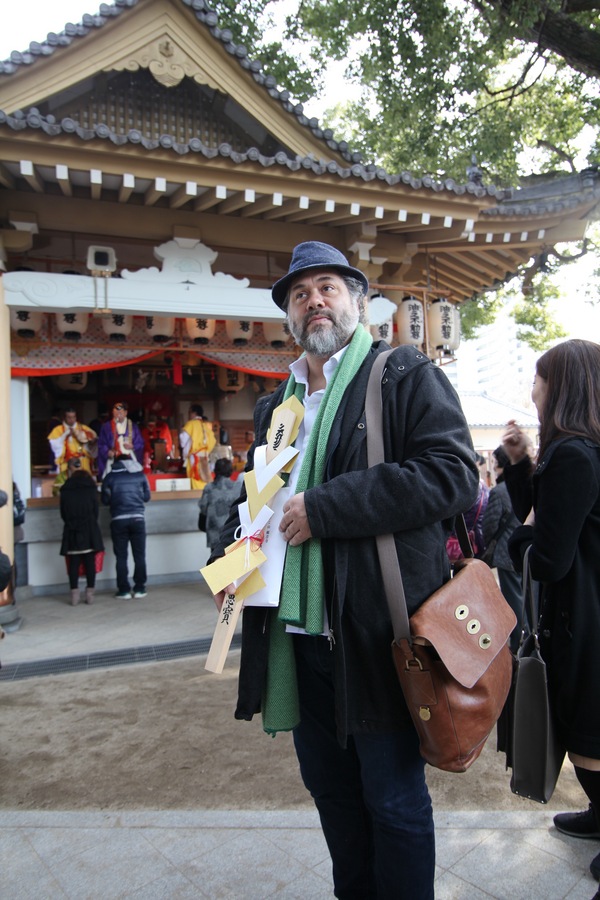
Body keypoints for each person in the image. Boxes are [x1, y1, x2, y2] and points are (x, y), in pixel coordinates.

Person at [209, 241, 479, 899]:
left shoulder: (402, 373)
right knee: (331, 790)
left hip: (375, 632)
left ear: (358, 300)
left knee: (390, 796)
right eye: (299, 294)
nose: (314, 301)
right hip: (297, 641)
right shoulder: (279, 407)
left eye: (328, 287)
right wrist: (231, 553)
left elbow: (452, 475)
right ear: (289, 317)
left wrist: (326, 507)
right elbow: (258, 501)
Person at [502, 339, 600, 891]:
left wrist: (519, 545)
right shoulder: (584, 450)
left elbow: (547, 559)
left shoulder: (574, 455)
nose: (532, 390)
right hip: (590, 609)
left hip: (582, 620)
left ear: (561, 385)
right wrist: (520, 466)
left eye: (538, 379)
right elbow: (551, 518)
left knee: (589, 739)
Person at [481, 445, 523, 651]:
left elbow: (489, 525)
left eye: (496, 463)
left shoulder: (499, 491)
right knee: (529, 598)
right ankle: (529, 638)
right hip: (527, 552)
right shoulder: (529, 486)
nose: (494, 468)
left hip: (507, 553)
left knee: (513, 601)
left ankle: (516, 644)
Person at [101, 457, 150, 600]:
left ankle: (124, 590)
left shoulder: (109, 477)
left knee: (121, 556)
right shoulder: (140, 476)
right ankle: (140, 588)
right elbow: (147, 497)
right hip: (138, 519)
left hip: (118, 520)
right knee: (139, 555)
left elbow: (105, 500)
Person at [59, 458, 104, 605]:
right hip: (89, 528)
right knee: (89, 561)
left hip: (72, 529)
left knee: (74, 562)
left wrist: (71, 522)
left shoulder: (65, 489)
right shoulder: (91, 489)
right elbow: (95, 511)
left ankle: (74, 595)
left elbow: (63, 513)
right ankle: (90, 594)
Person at [198, 458, 242, 551]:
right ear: (231, 471)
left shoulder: (209, 488)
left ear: (215, 471)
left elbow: (203, 508)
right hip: (233, 532)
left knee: (216, 561)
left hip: (215, 534)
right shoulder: (238, 487)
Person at [97, 401, 144, 479]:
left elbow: (140, 443)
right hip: (113, 459)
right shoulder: (106, 427)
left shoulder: (133, 426)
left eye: (120, 412)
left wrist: (133, 446)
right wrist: (107, 452)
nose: (118, 414)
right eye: (115, 412)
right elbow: (101, 443)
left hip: (129, 458)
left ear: (125, 413)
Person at [47, 406, 97, 477]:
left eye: (73, 417)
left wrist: (91, 442)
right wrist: (64, 435)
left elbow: (93, 445)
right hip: (66, 463)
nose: (72, 419)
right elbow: (54, 447)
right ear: (64, 418)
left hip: (83, 463)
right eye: (69, 417)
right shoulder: (58, 430)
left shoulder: (83, 428)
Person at [179, 404, 216, 490]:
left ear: (193, 413)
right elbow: (213, 441)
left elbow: (183, 441)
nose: (188, 414)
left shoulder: (191, 424)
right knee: (204, 476)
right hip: (204, 455)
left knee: (195, 476)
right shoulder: (205, 425)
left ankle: (195, 495)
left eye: (189, 412)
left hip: (194, 456)